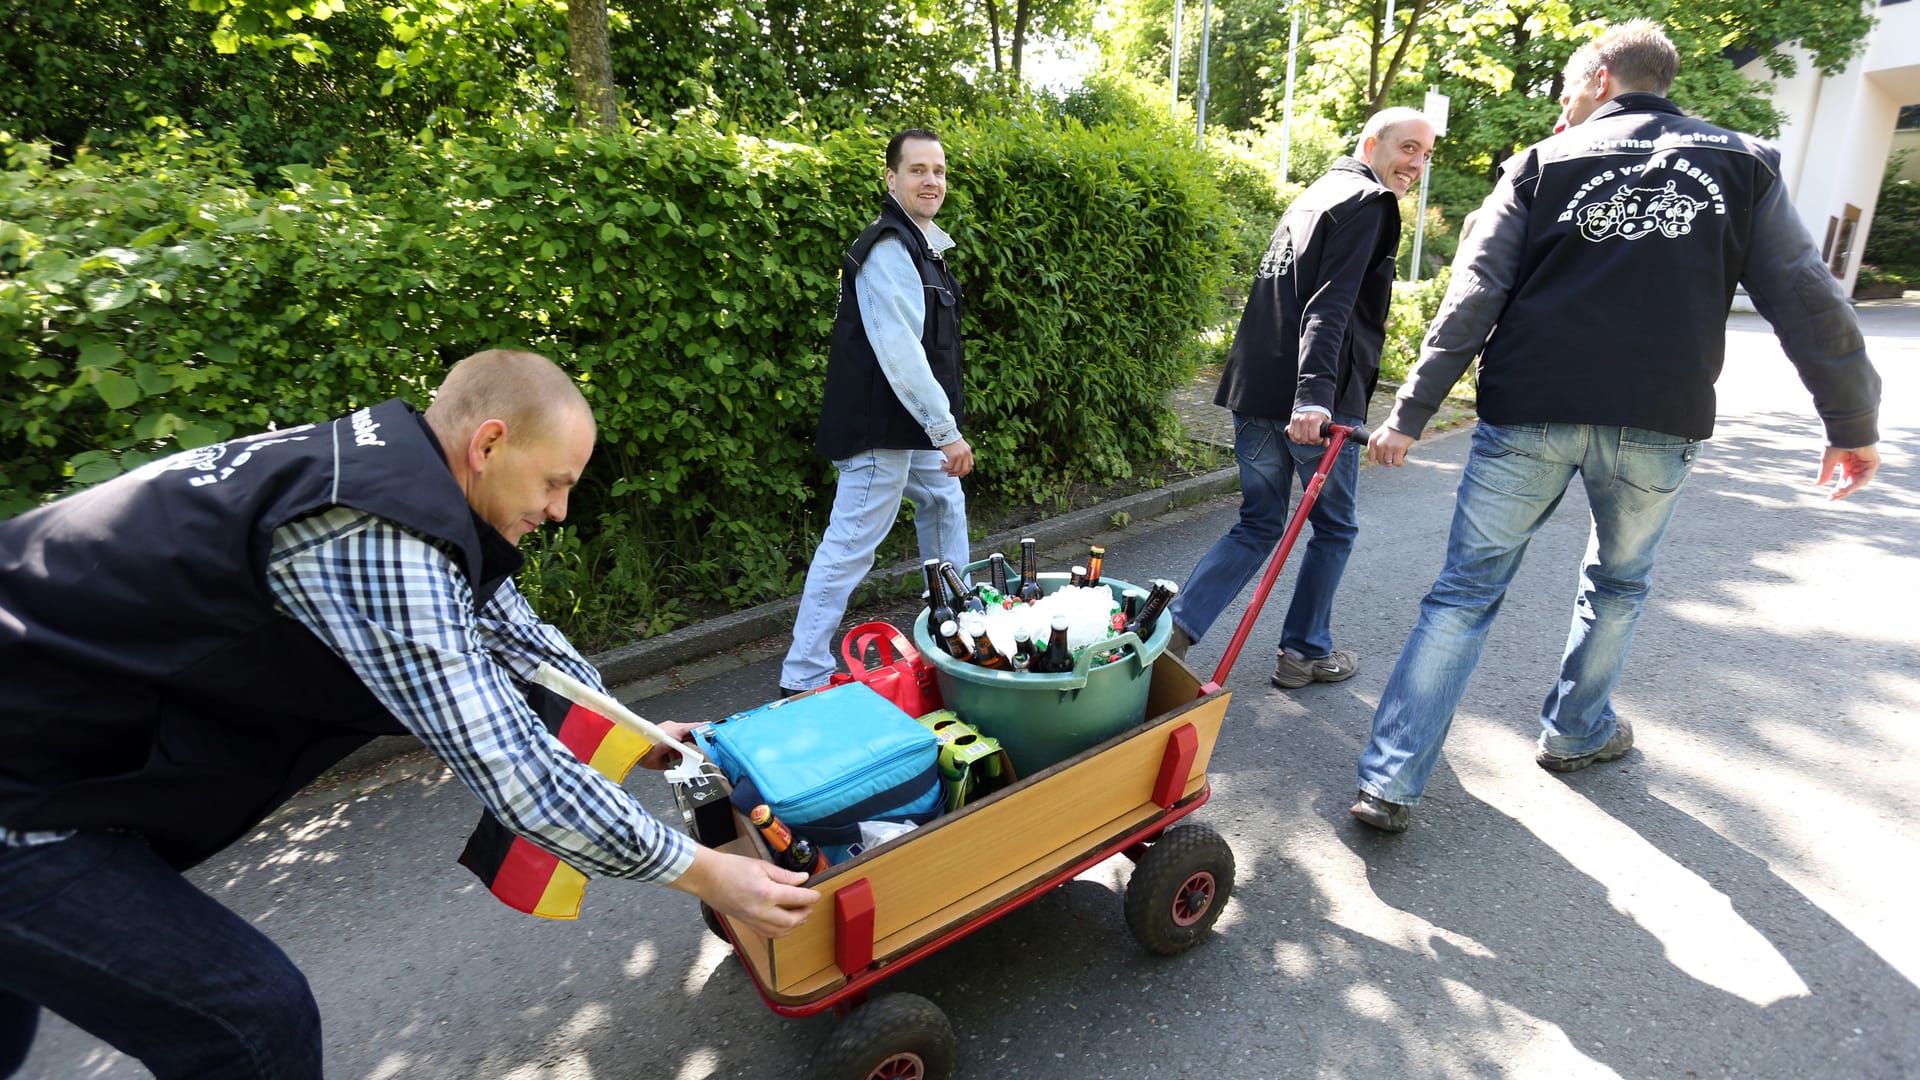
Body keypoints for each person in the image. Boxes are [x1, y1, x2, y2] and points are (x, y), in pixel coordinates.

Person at [0, 349, 821, 1077]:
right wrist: (707, 871)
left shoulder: (392, 474)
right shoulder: (375, 536)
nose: (561, 509)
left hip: (44, 748)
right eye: (556, 482)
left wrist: (630, 731)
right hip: (19, 795)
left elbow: (510, 630)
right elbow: (516, 771)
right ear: (490, 443)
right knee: (251, 1019)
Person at [1351, 21, 1882, 833]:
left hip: (1528, 407)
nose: (1562, 103)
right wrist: (1850, 420)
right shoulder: (1743, 164)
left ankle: (1391, 780)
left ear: (1601, 76)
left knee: (1463, 593)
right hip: (1657, 416)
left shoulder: (1538, 164)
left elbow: (1474, 296)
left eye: (1567, 86)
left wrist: (1412, 412)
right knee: (1620, 583)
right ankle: (1574, 732)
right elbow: (1807, 297)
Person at [1164, 107, 1437, 690]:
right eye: (1408, 148)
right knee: (1334, 527)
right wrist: (1312, 399)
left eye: (1426, 154)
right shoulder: (1369, 203)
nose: (1416, 164)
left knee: (1259, 522)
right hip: (1315, 402)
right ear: (1372, 142)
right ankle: (1305, 651)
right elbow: (1330, 305)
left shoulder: (1314, 195)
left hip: (1256, 388)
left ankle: (1174, 633)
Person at [779, 128, 974, 696]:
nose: (930, 180)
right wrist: (946, 431)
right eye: (917, 170)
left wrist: (936, 430)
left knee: (943, 501)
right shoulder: (889, 247)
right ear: (891, 179)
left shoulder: (924, 245)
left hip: (902, 428)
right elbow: (900, 353)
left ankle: (951, 629)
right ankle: (804, 676)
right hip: (877, 428)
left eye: (937, 170)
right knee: (850, 545)